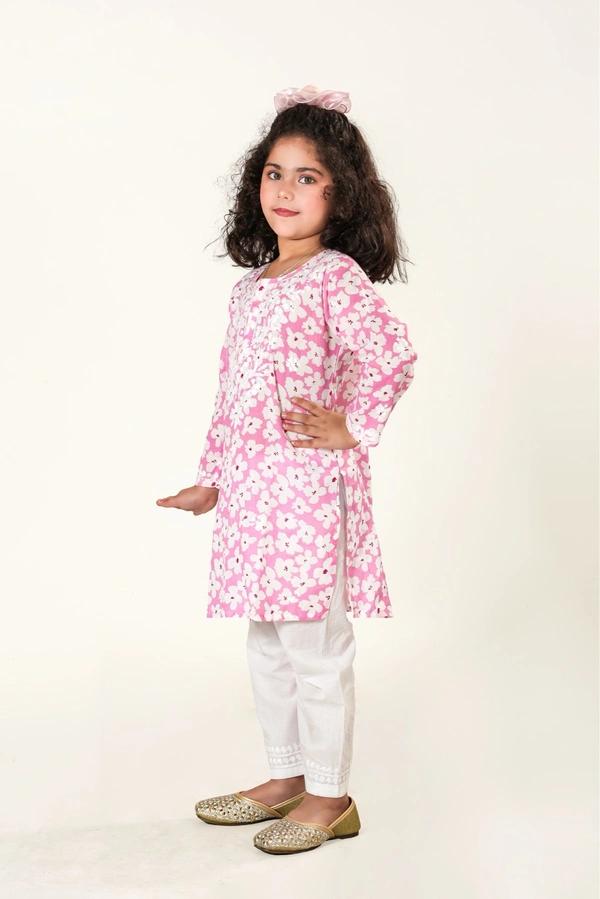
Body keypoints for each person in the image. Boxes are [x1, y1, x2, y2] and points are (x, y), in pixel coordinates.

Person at [156, 85, 418, 855]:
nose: (286, 190)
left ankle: (331, 795)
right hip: (253, 496)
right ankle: (287, 775)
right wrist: (212, 478)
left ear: (340, 194)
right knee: (267, 643)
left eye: (308, 177)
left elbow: (394, 354)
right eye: (275, 173)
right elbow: (232, 394)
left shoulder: (335, 276)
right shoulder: (250, 289)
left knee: (314, 646)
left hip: (307, 494)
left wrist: (352, 426)